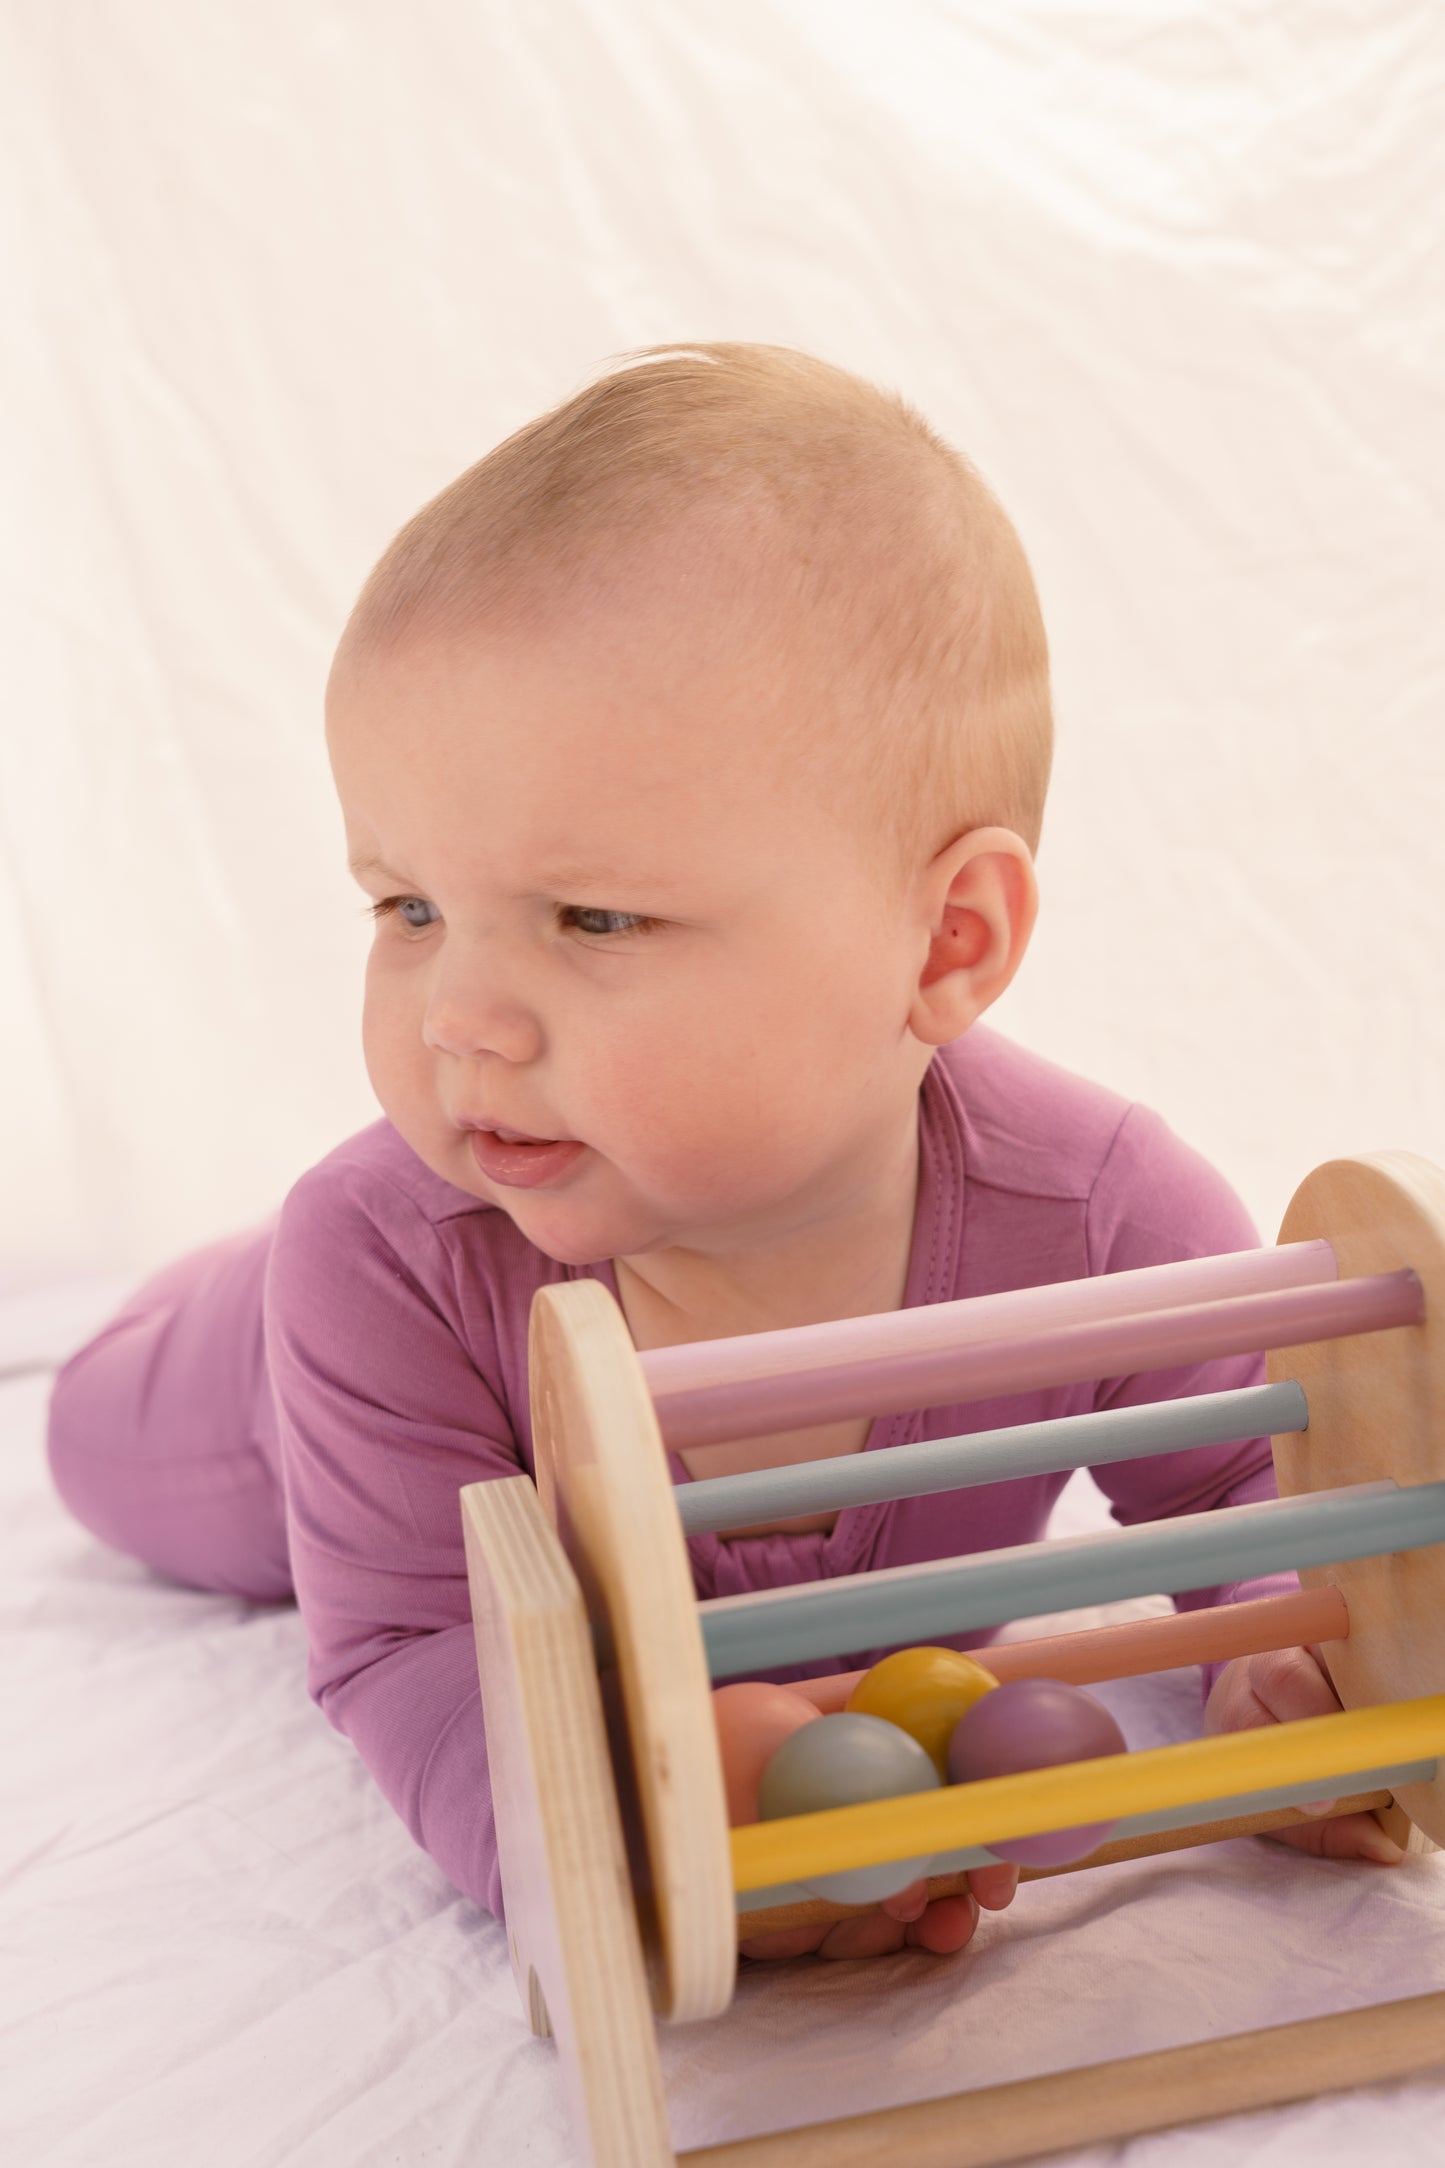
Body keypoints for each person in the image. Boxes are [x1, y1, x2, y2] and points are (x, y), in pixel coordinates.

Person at [45, 344, 1403, 1969]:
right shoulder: (384, 1255)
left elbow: (1251, 1504)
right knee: (88, 1432)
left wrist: (1291, 1685)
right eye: (407, 906)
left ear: (945, 940)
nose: (459, 1017)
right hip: (251, 1393)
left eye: (593, 916)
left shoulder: (1103, 1214)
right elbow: (412, 1646)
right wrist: (639, 1864)